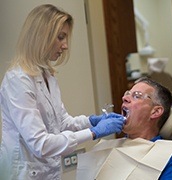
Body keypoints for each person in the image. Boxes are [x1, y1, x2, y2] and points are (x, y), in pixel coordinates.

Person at [0, 4, 125, 180]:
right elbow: (41, 144)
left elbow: (62, 121)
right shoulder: (17, 81)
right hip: (23, 174)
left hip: (47, 171)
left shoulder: (48, 76)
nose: (65, 46)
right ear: (41, 37)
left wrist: (91, 121)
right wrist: (93, 133)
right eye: (60, 37)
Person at [77, 77, 172, 180]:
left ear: (155, 112)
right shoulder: (106, 148)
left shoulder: (170, 160)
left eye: (136, 96)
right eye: (127, 94)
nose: (124, 98)